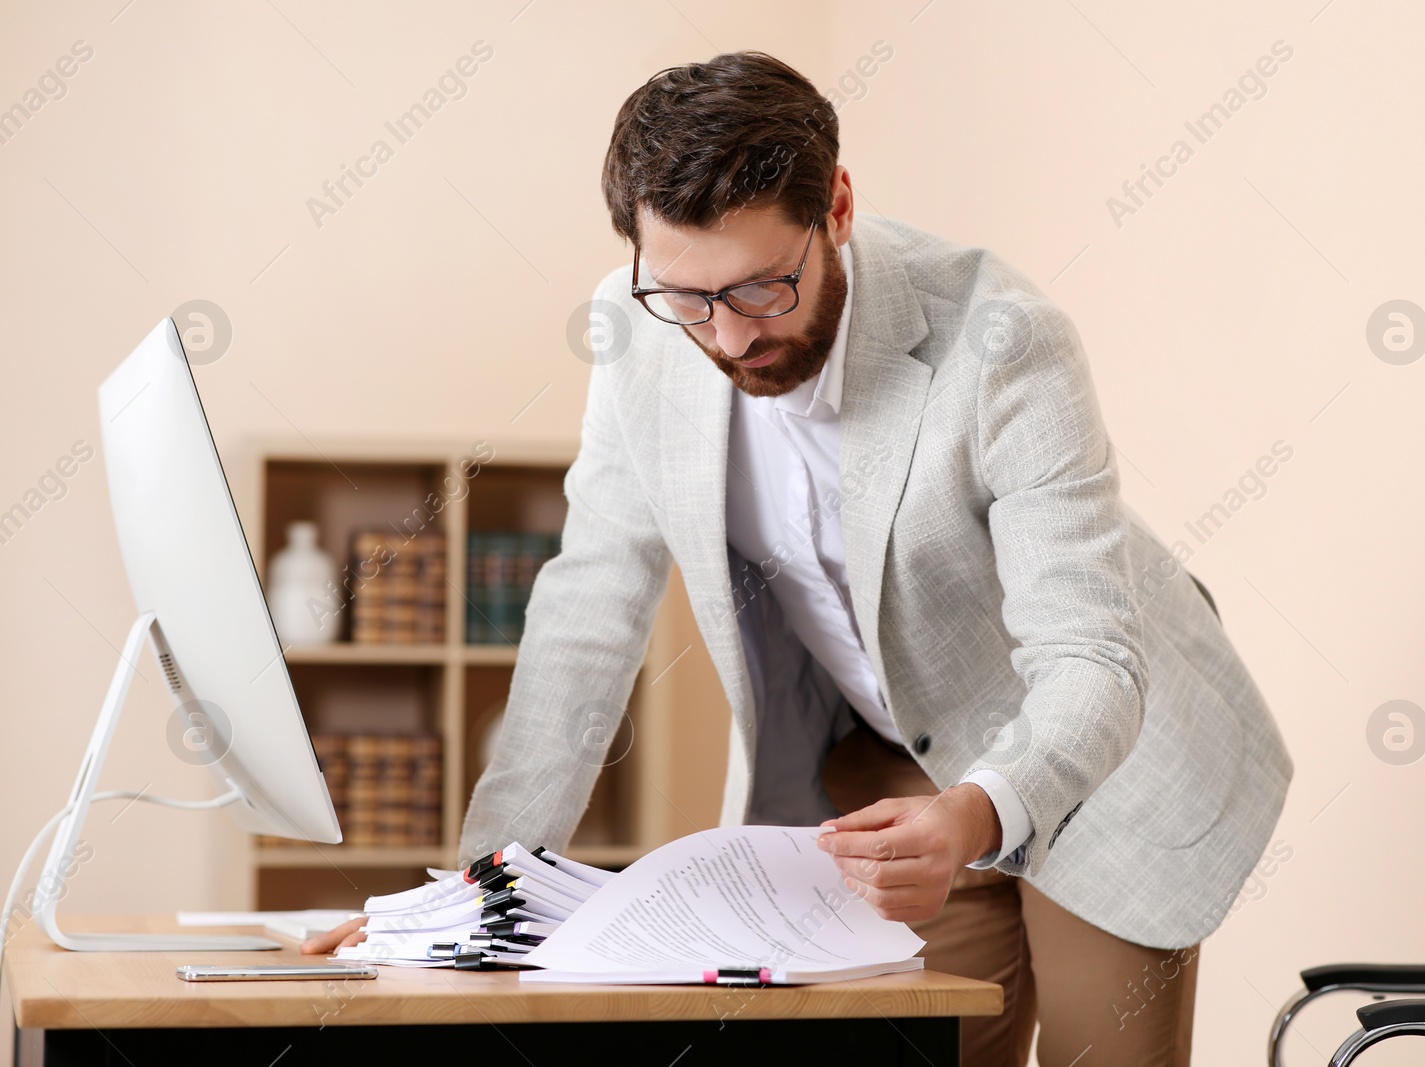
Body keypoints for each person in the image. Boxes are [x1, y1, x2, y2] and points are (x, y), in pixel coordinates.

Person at [306, 50, 1293, 1067]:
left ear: (840, 211)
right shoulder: (640, 333)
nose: (728, 336)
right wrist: (476, 894)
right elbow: (585, 615)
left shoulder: (1003, 342)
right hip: (891, 766)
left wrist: (978, 810)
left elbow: (1089, 655)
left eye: (763, 289)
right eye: (688, 298)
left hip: (1105, 760)